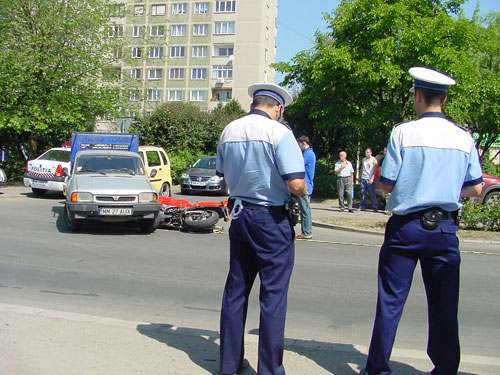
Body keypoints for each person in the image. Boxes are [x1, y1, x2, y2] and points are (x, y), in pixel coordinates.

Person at [361, 67, 483, 375]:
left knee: (390, 302)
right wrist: (443, 187)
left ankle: (377, 369)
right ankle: (445, 368)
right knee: (444, 305)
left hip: (406, 227)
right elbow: (477, 187)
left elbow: (385, 185)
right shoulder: (463, 137)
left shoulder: (403, 132)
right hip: (444, 228)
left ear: (418, 96)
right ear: (443, 98)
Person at [216, 83, 307, 375]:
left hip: (240, 214)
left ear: (255, 103)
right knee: (273, 296)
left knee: (236, 290)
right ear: (277, 108)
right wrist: (304, 189)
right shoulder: (279, 133)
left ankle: (229, 365)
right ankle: (269, 369)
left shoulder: (229, 130)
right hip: (271, 219)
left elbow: (222, 174)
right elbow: (296, 184)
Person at [296, 135, 316, 239]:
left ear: (304, 143)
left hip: (305, 186)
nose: (298, 146)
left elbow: (298, 165)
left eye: (299, 144)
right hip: (306, 185)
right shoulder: (308, 153)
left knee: (305, 210)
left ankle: (307, 233)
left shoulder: (308, 154)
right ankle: (305, 232)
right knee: (304, 209)